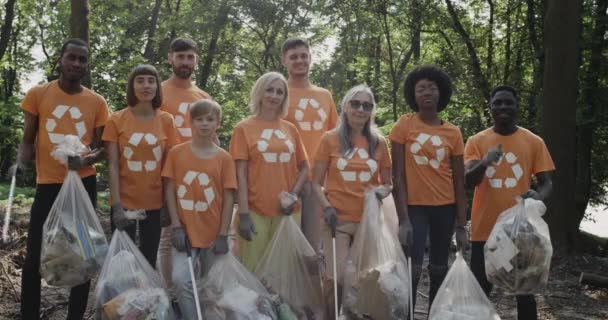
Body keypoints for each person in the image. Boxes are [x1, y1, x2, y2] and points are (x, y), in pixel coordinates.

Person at [17, 38, 110, 319]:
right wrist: (21, 163)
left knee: (84, 250)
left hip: (83, 187)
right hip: (48, 186)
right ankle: (29, 314)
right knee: (35, 253)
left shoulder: (97, 101)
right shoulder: (38, 94)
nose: (76, 64)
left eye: (82, 60)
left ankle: (75, 315)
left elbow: (102, 148)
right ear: (60, 59)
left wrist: (85, 160)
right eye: (71, 57)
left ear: (87, 64)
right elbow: (28, 139)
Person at [464, 85, 554, 320]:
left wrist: (539, 196)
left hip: (520, 232)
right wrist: (484, 162)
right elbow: (468, 181)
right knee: (481, 292)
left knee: (524, 291)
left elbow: (546, 183)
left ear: (516, 106)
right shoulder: (476, 141)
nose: (503, 107)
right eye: (498, 103)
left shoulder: (533, 141)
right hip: (483, 231)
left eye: (508, 103)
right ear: (491, 108)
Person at [388, 65, 467, 309]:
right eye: (420, 88)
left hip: (445, 207)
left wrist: (462, 225)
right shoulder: (404, 126)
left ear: (441, 93)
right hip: (414, 208)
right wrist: (403, 219)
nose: (427, 92)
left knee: (439, 269)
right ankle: (408, 314)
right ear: (413, 94)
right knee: (412, 269)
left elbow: (459, 181)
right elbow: (397, 176)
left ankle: (435, 314)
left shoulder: (453, 132)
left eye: (432, 87)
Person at [313, 84, 392, 317]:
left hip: (368, 222)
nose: (360, 109)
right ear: (345, 106)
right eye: (355, 104)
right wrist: (326, 206)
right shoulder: (329, 139)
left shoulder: (379, 143)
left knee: (365, 278)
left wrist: (381, 192)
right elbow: (315, 182)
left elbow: (387, 183)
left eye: (366, 105)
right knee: (335, 276)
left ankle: (354, 315)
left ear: (372, 111)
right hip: (337, 218)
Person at [162, 99, 236, 320]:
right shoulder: (177, 153)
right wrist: (176, 226)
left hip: (213, 233)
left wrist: (223, 234)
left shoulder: (224, 158)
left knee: (211, 285)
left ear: (218, 124)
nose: (204, 124)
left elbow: (229, 197)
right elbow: (170, 190)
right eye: (199, 119)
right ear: (191, 123)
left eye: (210, 119)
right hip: (184, 230)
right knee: (180, 279)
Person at [229, 71, 309, 272]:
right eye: (269, 90)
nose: (274, 96)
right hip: (256, 210)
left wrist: (293, 195)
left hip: (287, 212)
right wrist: (244, 214)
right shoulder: (243, 128)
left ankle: (282, 305)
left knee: (284, 271)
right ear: (259, 93)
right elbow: (240, 174)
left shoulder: (290, 129)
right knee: (253, 270)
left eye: (279, 92)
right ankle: (258, 305)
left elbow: (305, 167)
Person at [102, 64, 177, 266]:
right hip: (124, 201)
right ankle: (121, 298)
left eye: (151, 81)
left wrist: (167, 206)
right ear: (132, 86)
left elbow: (169, 167)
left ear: (157, 87)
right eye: (140, 80)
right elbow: (113, 166)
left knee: (148, 259)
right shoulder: (116, 119)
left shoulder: (167, 120)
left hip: (154, 203)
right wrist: (117, 206)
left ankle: (146, 298)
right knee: (121, 260)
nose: (146, 86)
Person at [157, 37, 212, 289]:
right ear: (170, 58)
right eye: (180, 57)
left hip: (199, 174)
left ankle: (194, 288)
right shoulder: (158, 91)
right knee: (169, 234)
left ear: (196, 60)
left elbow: (211, 133)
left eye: (190, 57)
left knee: (198, 229)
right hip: (168, 172)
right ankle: (169, 292)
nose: (185, 62)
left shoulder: (202, 96)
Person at [281, 38, 339, 251]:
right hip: (287, 177)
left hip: (318, 179)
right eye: (294, 57)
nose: (300, 61)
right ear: (284, 61)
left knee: (313, 245)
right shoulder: (278, 93)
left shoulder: (324, 95)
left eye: (304, 56)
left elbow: (336, 137)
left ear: (310, 58)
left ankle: (314, 284)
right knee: (287, 241)